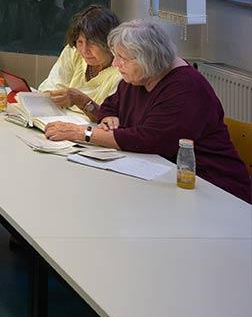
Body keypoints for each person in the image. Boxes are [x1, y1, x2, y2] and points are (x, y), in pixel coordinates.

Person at [44, 19, 251, 203]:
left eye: (123, 58)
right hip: (164, 179)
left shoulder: (186, 88)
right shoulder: (139, 77)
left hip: (212, 191)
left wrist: (82, 133)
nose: (116, 64)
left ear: (147, 59)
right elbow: (111, 103)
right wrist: (109, 116)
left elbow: (149, 139)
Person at [37, 5, 122, 118]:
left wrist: (80, 100)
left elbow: (111, 119)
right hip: (61, 120)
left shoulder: (122, 70)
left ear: (109, 42)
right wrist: (49, 95)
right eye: (80, 42)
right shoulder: (73, 52)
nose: (84, 50)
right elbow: (52, 86)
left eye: (92, 42)